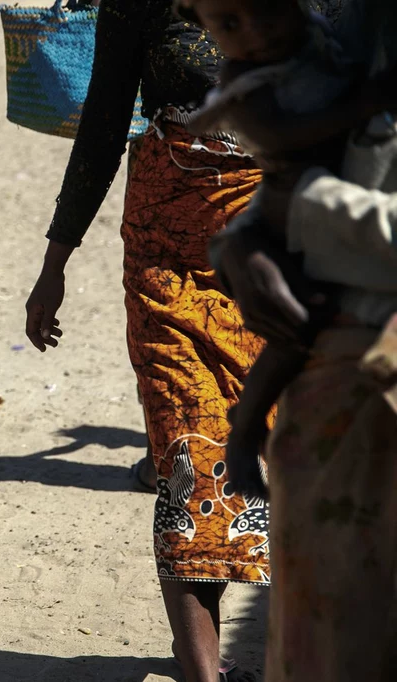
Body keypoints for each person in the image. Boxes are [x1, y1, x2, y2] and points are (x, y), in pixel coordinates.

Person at [23, 1, 339, 679]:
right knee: (187, 452)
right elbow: (104, 123)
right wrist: (56, 262)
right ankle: (200, 669)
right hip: (167, 259)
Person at [213, 3, 397, 677]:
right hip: (333, 392)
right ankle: (242, 430)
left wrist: (305, 211)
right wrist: (242, 245)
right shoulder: (357, 34)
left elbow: (307, 183)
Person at [179, 0, 395, 499]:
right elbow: (278, 138)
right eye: (230, 24)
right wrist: (245, 243)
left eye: (267, 12)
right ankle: (247, 429)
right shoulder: (258, 71)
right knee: (295, 332)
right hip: (300, 231)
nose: (256, 32)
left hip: (332, 243)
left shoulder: (320, 40)